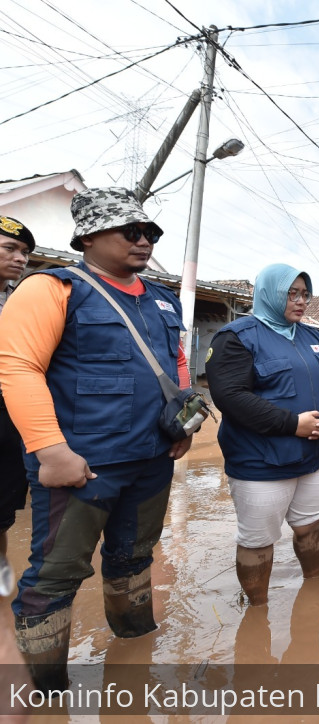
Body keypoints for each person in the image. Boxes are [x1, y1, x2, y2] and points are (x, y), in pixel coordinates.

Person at [0, 187, 194, 691]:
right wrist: (51, 449)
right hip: (82, 466)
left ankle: (133, 648)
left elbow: (176, 365)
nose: (144, 240)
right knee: (56, 575)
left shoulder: (163, 300)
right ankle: (46, 691)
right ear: (88, 236)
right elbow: (18, 368)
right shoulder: (52, 288)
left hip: (152, 460)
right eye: (131, 231)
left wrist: (185, 424)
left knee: (135, 557)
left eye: (150, 232)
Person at [205, 263, 319, 607]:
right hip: (260, 461)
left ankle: (313, 589)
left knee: (311, 526)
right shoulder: (236, 337)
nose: (301, 302)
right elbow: (231, 397)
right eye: (291, 294)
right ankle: (257, 610)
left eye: (305, 295)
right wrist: (292, 424)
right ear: (269, 294)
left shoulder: (312, 337)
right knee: (257, 540)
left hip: (313, 457)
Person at [0, 216, 35, 556]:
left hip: (10, 415)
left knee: (1, 514)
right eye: (10, 248)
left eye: (24, 251)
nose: (21, 258)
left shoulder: (22, 298)